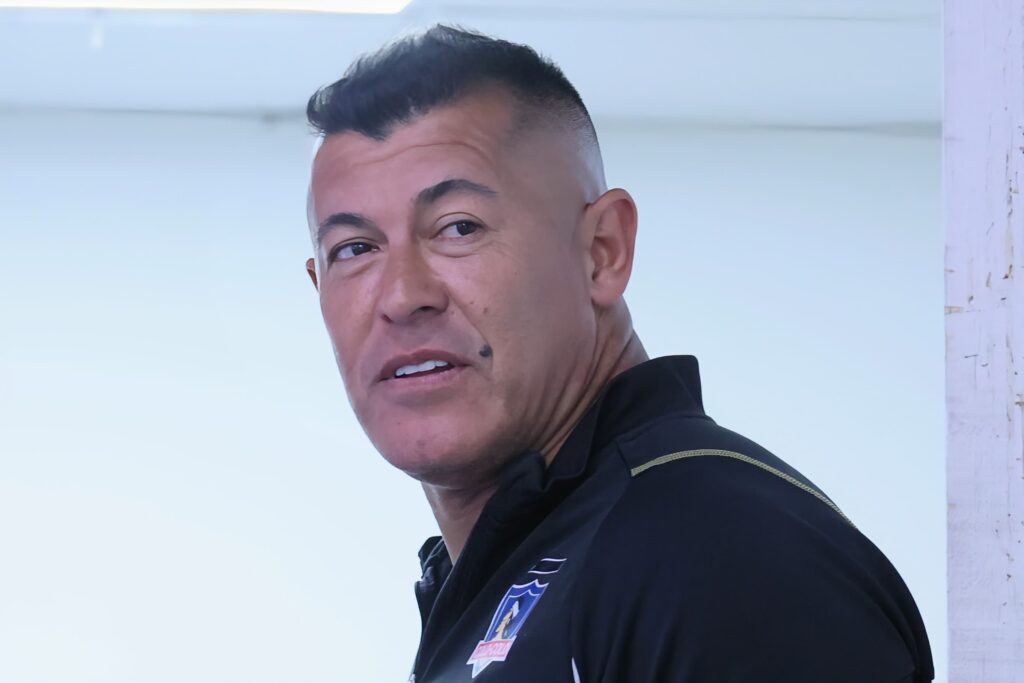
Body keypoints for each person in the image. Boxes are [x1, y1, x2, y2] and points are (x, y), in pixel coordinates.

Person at [302, 24, 934, 683]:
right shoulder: (550, 566)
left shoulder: (714, 554)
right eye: (353, 249)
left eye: (459, 227)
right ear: (319, 290)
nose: (403, 295)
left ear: (604, 250)